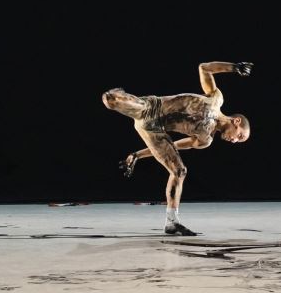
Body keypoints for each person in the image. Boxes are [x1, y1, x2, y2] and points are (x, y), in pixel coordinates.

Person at [102, 61, 254, 235]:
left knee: (179, 171)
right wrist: (234, 67)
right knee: (111, 100)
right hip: (150, 109)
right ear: (237, 121)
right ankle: (118, 92)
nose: (234, 141)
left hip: (154, 131)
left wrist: (137, 155)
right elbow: (204, 68)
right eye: (239, 136)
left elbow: (173, 147)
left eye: (238, 141)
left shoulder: (205, 140)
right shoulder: (215, 99)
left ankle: (172, 222)